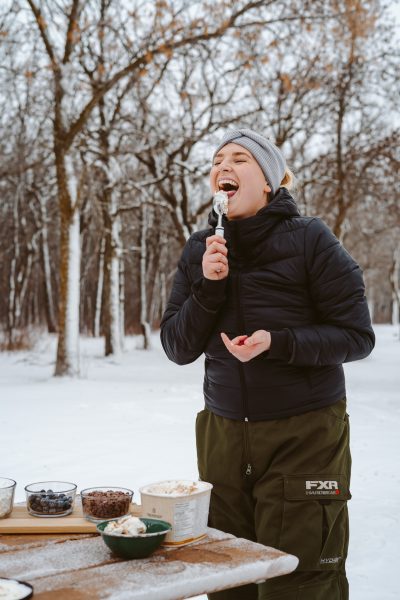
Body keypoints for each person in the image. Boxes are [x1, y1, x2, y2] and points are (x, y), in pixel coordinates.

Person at [160, 128, 375, 600]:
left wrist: (277, 342)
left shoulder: (311, 239)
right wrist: (209, 287)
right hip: (223, 435)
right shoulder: (200, 249)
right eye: (218, 161)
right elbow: (177, 346)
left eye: (240, 159)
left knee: (299, 579)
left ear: (269, 182)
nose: (224, 167)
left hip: (305, 434)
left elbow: (357, 336)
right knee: (226, 577)